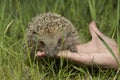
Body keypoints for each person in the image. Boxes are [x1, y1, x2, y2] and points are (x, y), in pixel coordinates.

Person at [35, 21, 119, 69]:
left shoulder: (68, 38)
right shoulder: (37, 39)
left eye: (58, 43)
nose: (52, 52)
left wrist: (116, 54)